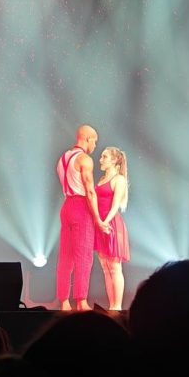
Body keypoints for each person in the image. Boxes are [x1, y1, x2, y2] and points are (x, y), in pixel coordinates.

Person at [56, 124, 109, 311]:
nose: (95, 146)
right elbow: (89, 191)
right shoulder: (84, 159)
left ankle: (63, 301)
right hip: (80, 206)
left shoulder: (62, 158)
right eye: (94, 141)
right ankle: (81, 301)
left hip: (66, 206)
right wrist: (98, 220)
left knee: (65, 256)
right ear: (87, 139)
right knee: (83, 255)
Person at [94, 146, 130, 311]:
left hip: (111, 224)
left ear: (114, 160)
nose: (101, 159)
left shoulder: (119, 179)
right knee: (105, 268)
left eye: (104, 157)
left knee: (115, 267)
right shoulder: (101, 179)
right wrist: (98, 222)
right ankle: (112, 305)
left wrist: (105, 222)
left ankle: (117, 306)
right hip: (100, 224)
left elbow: (115, 205)